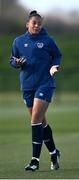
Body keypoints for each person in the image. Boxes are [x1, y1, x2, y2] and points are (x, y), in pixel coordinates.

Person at [9, 10, 62, 171]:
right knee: (41, 122)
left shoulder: (48, 40)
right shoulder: (18, 41)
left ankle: (34, 160)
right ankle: (54, 152)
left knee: (35, 121)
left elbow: (57, 55)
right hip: (27, 86)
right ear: (28, 24)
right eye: (34, 23)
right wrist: (17, 62)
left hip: (45, 83)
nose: (37, 25)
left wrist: (54, 66)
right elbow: (12, 60)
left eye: (39, 23)